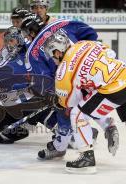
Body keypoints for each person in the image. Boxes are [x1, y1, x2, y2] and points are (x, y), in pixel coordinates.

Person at [20, 15, 116, 161]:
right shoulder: (61, 23)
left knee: (65, 112)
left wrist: (51, 95)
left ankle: (60, 147)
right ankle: (108, 124)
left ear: (31, 33)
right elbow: (90, 34)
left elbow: (43, 80)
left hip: (64, 80)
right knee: (88, 103)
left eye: (26, 34)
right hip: (87, 72)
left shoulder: (32, 52)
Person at [43, 30, 121, 174]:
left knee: (77, 114)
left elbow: (68, 103)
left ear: (58, 52)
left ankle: (87, 159)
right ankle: (108, 125)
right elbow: (111, 54)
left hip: (114, 90)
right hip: (122, 73)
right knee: (88, 101)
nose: (52, 58)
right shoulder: (84, 44)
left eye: (51, 53)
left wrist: (58, 101)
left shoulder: (63, 71)